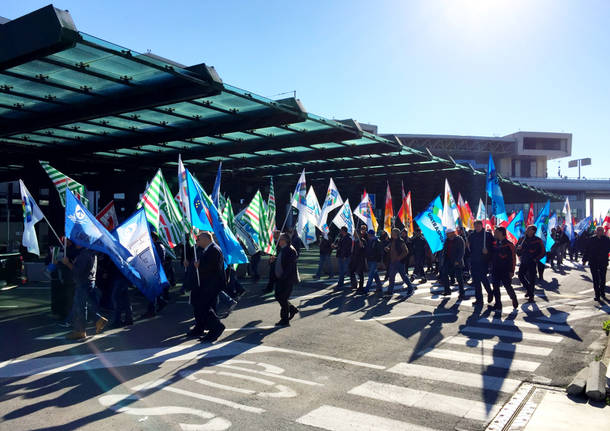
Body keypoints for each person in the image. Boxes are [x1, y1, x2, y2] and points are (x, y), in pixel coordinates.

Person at [62, 244, 107, 340]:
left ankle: (81, 331)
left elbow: (77, 271)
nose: (75, 244)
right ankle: (97, 320)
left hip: (83, 283)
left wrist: (67, 263)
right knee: (82, 306)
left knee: (80, 308)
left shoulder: (84, 254)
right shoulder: (91, 252)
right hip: (89, 282)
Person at [190, 231, 226, 343]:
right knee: (202, 307)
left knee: (205, 307)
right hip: (207, 284)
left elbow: (212, 268)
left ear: (206, 239)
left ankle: (217, 327)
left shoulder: (214, 249)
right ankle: (205, 329)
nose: (197, 242)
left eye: (198, 239)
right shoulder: (209, 249)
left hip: (211, 285)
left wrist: (199, 266)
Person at [272, 233, 299, 326]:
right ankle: (291, 309)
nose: (279, 241)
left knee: (282, 298)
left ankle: (285, 320)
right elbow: (280, 262)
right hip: (281, 278)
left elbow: (289, 267)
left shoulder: (290, 250)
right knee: (279, 296)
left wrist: (283, 278)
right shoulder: (282, 249)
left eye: (281, 239)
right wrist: (272, 260)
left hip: (287, 279)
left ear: (286, 240)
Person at [490, 226, 518, 311]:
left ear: (502, 233)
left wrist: (512, 271)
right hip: (495, 269)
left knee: (507, 286)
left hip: (505, 270)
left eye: (496, 232)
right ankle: (498, 303)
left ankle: (513, 298)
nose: (494, 234)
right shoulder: (494, 243)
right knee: (495, 287)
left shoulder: (509, 245)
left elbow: (513, 258)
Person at [516, 225, 545, 302]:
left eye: (529, 229)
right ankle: (529, 289)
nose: (527, 230)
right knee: (520, 276)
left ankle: (531, 295)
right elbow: (517, 251)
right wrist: (518, 250)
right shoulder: (522, 239)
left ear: (533, 231)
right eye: (527, 229)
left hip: (532, 262)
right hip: (524, 260)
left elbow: (543, 252)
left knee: (532, 279)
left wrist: (536, 259)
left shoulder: (537, 240)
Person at [468, 220, 494, 306]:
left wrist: (488, 251)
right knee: (476, 281)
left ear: (482, 226)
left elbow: (493, 246)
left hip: (483, 260)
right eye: (475, 225)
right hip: (474, 260)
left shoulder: (487, 235)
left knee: (483, 278)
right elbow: (469, 248)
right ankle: (479, 299)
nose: (477, 227)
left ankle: (490, 292)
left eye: (478, 225)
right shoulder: (471, 235)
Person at [385, 228, 414, 296]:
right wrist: (387, 249)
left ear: (396, 234)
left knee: (403, 276)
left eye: (393, 233)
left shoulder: (401, 241)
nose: (391, 234)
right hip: (393, 261)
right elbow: (391, 250)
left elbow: (406, 251)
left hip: (399, 262)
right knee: (391, 277)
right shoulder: (392, 241)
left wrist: (399, 258)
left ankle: (410, 288)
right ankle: (390, 291)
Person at [584, 226, 610, 301]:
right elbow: (587, 250)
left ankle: (602, 292)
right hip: (593, 261)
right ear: (596, 231)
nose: (600, 232)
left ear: (603, 231)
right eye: (598, 230)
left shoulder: (607, 239)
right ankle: (597, 295)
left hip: (603, 262)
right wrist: (584, 259)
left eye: (601, 230)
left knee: (602, 278)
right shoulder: (592, 239)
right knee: (595, 279)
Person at [441, 228, 466, 299]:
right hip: (448, 260)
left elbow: (462, 251)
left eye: (448, 234)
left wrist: (458, 260)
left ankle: (462, 293)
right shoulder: (447, 240)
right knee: (444, 273)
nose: (447, 235)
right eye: (447, 234)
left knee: (459, 278)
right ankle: (447, 290)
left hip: (457, 261)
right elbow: (445, 250)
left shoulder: (459, 239)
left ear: (453, 233)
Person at [108, 262, 133, 329]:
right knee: (125, 299)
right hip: (124, 277)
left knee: (116, 299)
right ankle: (128, 319)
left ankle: (117, 321)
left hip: (120, 278)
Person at [360, 229, 383, 294]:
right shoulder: (370, 241)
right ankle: (379, 287)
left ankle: (366, 289)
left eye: (368, 234)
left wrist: (379, 262)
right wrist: (363, 247)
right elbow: (367, 250)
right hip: (370, 260)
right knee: (375, 275)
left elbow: (379, 252)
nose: (367, 235)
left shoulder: (377, 241)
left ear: (371, 235)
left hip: (374, 261)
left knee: (370, 275)